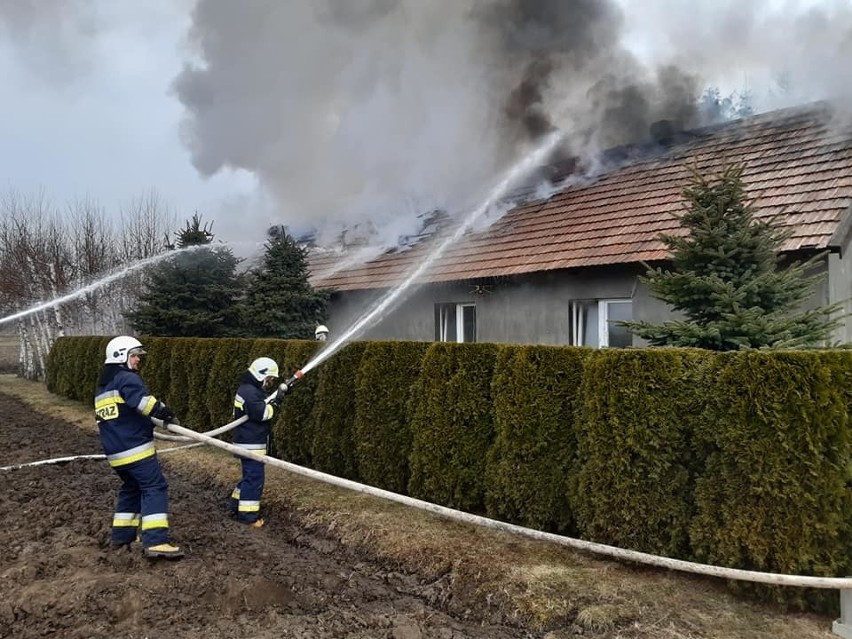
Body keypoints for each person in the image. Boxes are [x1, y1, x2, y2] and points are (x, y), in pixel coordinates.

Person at [94, 336, 184, 559]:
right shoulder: (126, 378)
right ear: (121, 356)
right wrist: (166, 412)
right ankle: (156, 541)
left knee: (131, 488)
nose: (137, 360)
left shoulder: (104, 386)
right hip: (135, 449)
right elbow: (145, 403)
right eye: (134, 355)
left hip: (115, 454)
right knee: (155, 486)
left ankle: (122, 536)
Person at [228, 357, 287, 528]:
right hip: (251, 444)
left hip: (246, 442)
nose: (270, 383)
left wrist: (278, 395)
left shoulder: (248, 389)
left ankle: (234, 504)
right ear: (262, 375)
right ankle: (248, 517)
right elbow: (262, 413)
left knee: (248, 477)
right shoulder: (251, 393)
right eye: (269, 379)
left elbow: (262, 401)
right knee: (254, 479)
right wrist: (276, 404)